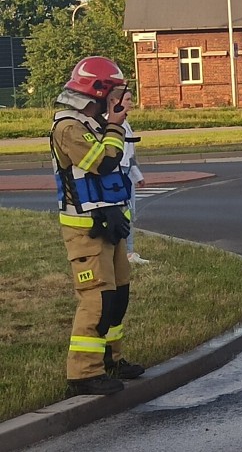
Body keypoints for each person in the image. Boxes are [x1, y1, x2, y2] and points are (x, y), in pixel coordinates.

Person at [50, 56, 146, 396]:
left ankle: (110, 361)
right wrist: (116, 125)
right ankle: (83, 374)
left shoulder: (92, 122)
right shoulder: (69, 128)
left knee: (118, 296)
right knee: (98, 299)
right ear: (100, 91)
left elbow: (116, 168)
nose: (122, 99)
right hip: (85, 229)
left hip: (108, 224)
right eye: (117, 92)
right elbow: (103, 163)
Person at [114, 89, 150, 265]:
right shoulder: (112, 123)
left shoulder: (124, 122)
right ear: (116, 101)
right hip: (119, 173)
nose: (131, 102)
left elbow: (130, 152)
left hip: (127, 172)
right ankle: (126, 253)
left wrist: (137, 175)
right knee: (124, 214)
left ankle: (128, 251)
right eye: (127, 99)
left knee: (130, 212)